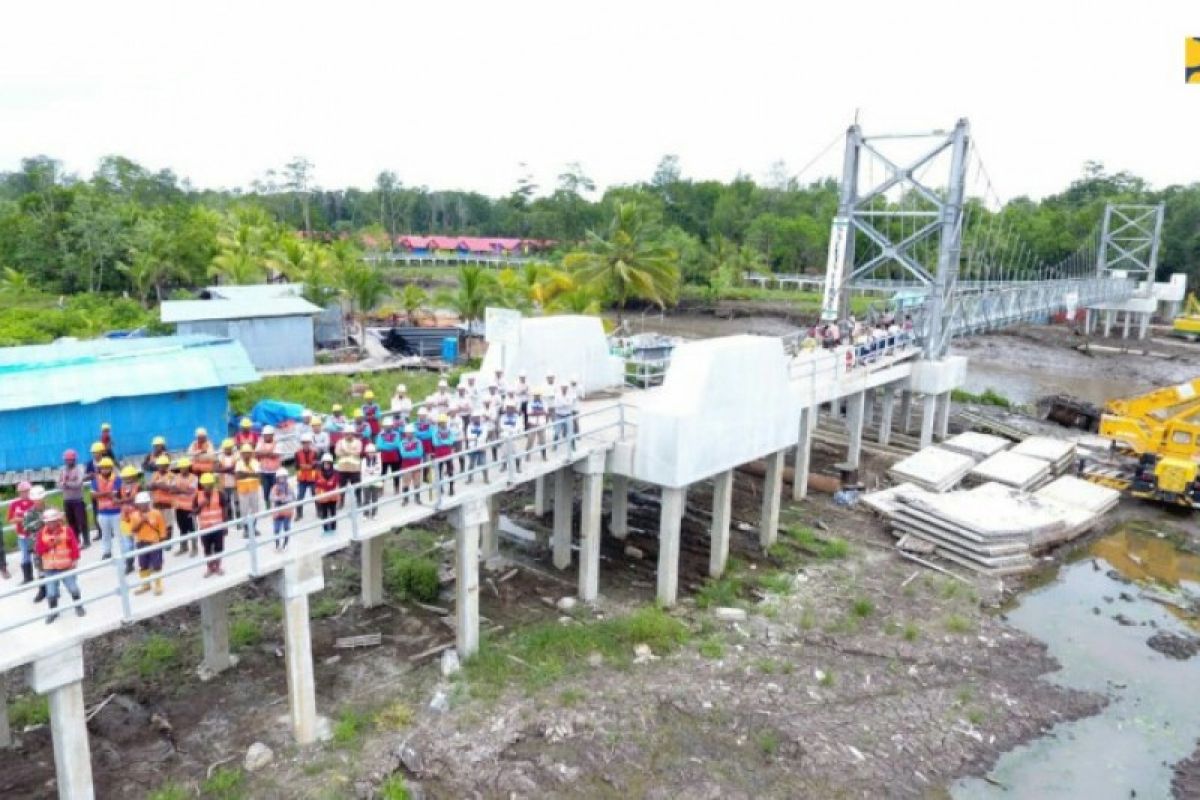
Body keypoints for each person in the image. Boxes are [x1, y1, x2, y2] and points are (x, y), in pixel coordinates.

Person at [36, 509, 85, 623]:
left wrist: (74, 560)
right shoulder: (41, 533)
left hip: (66, 567)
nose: (51, 524)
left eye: (53, 521)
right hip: (49, 569)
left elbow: (74, 546)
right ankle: (54, 612)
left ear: (58, 520)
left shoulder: (67, 531)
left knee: (73, 588)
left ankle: (78, 607)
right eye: (48, 522)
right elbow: (39, 550)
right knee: (51, 593)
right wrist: (51, 544)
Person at [128, 492, 166, 595]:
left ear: (148, 503)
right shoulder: (134, 515)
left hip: (154, 542)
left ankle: (158, 585)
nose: (143, 506)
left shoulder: (156, 513)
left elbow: (162, 528)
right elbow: (133, 530)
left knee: (156, 564)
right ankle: (145, 585)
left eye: (145, 503)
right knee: (143, 565)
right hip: (141, 542)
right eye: (141, 504)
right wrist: (141, 521)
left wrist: (162, 540)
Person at [57, 449, 90, 550]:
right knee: (71, 522)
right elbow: (58, 484)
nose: (68, 462)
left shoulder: (79, 469)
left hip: (78, 499)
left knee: (82, 521)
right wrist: (63, 484)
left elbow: (78, 483)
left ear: (74, 460)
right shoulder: (62, 470)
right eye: (67, 460)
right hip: (67, 500)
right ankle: (76, 541)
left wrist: (66, 484)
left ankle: (86, 540)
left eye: (70, 460)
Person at [91, 457, 123, 559]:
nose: (105, 470)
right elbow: (93, 496)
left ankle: (122, 551)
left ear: (111, 468)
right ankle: (107, 552)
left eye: (107, 468)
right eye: (103, 468)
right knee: (105, 534)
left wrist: (100, 494)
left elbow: (115, 494)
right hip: (103, 512)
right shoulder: (95, 481)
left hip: (116, 512)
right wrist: (106, 493)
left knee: (119, 534)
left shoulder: (117, 480)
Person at [196, 473, 227, 576]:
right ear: (202, 485)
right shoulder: (197, 496)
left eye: (210, 484)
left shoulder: (220, 494)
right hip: (204, 528)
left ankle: (218, 567)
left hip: (217, 527)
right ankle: (210, 568)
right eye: (206, 484)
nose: (208, 487)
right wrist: (200, 506)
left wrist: (225, 525)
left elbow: (225, 510)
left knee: (219, 548)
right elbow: (193, 512)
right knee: (207, 549)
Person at [24, 487, 48, 601]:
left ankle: (53, 587)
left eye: (40, 498)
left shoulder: (50, 509)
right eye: (35, 499)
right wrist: (42, 521)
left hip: (51, 542)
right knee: (40, 567)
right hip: (37, 544)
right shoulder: (29, 513)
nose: (38, 501)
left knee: (53, 564)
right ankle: (43, 590)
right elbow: (27, 527)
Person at [172, 457, 198, 557]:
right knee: (182, 528)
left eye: (185, 467)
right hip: (179, 507)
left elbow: (190, 491)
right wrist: (183, 489)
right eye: (181, 467)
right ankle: (184, 547)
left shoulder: (194, 478)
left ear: (188, 467)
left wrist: (179, 489)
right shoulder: (176, 477)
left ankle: (194, 547)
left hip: (189, 507)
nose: (183, 469)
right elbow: (172, 490)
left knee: (192, 528)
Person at [117, 464, 141, 574]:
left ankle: (144, 560)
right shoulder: (121, 488)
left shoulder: (139, 487)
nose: (127, 480)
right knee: (128, 544)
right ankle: (129, 564)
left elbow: (137, 499)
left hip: (137, 517)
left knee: (141, 540)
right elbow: (116, 499)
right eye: (125, 478)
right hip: (125, 518)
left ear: (134, 477)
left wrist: (122, 501)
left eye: (129, 477)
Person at [148, 454, 176, 546]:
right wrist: (155, 485)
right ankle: (160, 539)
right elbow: (150, 486)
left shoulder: (171, 475)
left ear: (167, 466)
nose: (160, 468)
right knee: (158, 522)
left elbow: (172, 488)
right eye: (159, 466)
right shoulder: (155, 475)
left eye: (163, 466)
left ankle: (168, 542)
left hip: (167, 504)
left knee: (168, 523)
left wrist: (160, 485)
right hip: (157, 504)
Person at [235, 444, 262, 537]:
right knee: (244, 510)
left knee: (255, 508)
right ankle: (246, 529)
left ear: (251, 453)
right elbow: (238, 476)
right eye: (244, 453)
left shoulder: (255, 462)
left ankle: (254, 527)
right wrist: (251, 474)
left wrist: (245, 474)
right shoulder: (239, 463)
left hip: (254, 488)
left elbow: (258, 475)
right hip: (243, 490)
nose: (246, 455)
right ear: (241, 454)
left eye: (248, 453)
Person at [335, 423, 363, 507]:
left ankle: (358, 501)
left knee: (357, 486)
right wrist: (351, 452)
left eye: (351, 433)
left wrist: (346, 451)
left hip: (355, 468)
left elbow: (358, 452)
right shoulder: (340, 442)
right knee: (342, 487)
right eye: (347, 434)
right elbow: (337, 453)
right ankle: (341, 502)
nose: (349, 435)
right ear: (344, 434)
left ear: (353, 434)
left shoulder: (358, 442)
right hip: (343, 468)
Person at [84, 441, 107, 543]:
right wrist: (90, 475)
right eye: (93, 453)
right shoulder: (90, 463)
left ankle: (108, 531)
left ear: (101, 452)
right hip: (95, 490)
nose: (94, 454)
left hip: (106, 490)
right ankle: (100, 531)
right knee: (96, 511)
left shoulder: (107, 462)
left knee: (106, 509)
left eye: (96, 452)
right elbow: (85, 476)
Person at [432, 414, 458, 496]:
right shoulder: (435, 431)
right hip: (439, 454)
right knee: (439, 472)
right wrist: (445, 441)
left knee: (450, 471)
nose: (443, 424)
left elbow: (451, 441)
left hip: (448, 454)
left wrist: (442, 441)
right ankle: (440, 488)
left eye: (444, 422)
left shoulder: (449, 430)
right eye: (441, 422)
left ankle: (451, 488)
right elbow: (435, 443)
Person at [294, 433, 319, 519]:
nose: (306, 444)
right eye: (304, 443)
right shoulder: (297, 453)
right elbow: (297, 465)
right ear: (302, 443)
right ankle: (299, 514)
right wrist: (308, 466)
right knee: (300, 496)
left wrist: (306, 466)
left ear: (310, 443)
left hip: (312, 477)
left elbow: (315, 465)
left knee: (315, 494)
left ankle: (319, 511)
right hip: (302, 478)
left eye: (307, 443)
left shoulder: (314, 453)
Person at [269, 467, 295, 550]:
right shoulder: (274, 487)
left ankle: (285, 544)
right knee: (276, 529)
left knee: (286, 527)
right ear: (277, 478)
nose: (282, 479)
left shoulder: (289, 487)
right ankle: (277, 544)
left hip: (287, 511)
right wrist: (279, 498)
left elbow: (293, 496)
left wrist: (285, 498)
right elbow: (271, 497)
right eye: (280, 478)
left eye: (283, 477)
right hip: (277, 511)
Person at [314, 454, 341, 533]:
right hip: (323, 497)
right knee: (324, 514)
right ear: (322, 464)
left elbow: (337, 484)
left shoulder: (335, 473)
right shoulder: (317, 473)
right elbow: (317, 484)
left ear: (331, 464)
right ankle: (325, 529)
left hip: (333, 497)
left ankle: (333, 528)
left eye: (328, 463)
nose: (326, 465)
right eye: (325, 463)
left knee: (333, 513)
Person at [398, 425, 425, 504]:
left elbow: (420, 453)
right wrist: (414, 453)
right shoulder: (402, 442)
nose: (409, 434)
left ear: (413, 433)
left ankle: (417, 498)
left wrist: (409, 453)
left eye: (411, 433)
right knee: (406, 483)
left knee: (417, 482)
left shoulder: (418, 442)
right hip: (406, 466)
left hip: (416, 465)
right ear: (405, 433)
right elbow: (403, 454)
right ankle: (405, 499)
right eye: (408, 433)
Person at [376, 417, 403, 492]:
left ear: (392, 426)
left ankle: (396, 488)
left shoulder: (396, 434)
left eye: (389, 425)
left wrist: (385, 445)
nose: (388, 427)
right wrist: (390, 446)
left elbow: (397, 444)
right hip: (384, 457)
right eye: (386, 426)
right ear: (383, 426)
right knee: (382, 473)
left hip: (394, 456)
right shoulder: (380, 435)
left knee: (396, 473)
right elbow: (379, 446)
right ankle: (380, 489)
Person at [497, 401, 525, 473]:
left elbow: (518, 427)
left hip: (515, 437)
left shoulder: (518, 417)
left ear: (514, 409)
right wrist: (509, 428)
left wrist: (509, 429)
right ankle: (504, 466)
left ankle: (518, 467)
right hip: (505, 437)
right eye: (508, 408)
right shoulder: (503, 417)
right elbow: (501, 427)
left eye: (511, 408)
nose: (509, 410)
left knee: (517, 452)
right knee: (504, 452)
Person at [257, 425, 282, 502]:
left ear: (272, 435)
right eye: (265, 435)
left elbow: (275, 455)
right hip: (264, 472)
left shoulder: (277, 443)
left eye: (268, 435)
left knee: (277, 491)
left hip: (275, 472)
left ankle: (278, 508)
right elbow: (257, 454)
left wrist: (264, 453)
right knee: (266, 492)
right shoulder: (260, 442)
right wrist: (269, 453)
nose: (266, 436)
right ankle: (268, 509)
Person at [215, 438, 238, 520]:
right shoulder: (220, 457)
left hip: (235, 484)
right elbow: (217, 469)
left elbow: (236, 468)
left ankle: (239, 520)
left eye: (229, 448)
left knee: (237, 502)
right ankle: (230, 519)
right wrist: (229, 470)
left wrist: (223, 470)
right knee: (227, 503)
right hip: (224, 485)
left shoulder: (236, 455)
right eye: (226, 448)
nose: (228, 450)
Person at [464, 412, 490, 483]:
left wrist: (475, 437)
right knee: (471, 464)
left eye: (477, 418)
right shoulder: (469, 426)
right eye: (474, 418)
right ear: (472, 419)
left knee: (483, 463)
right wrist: (477, 437)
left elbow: (484, 436)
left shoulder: (484, 426)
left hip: (481, 446)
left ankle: (486, 478)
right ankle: (470, 478)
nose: (476, 419)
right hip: (472, 447)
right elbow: (469, 436)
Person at [527, 387, 549, 460]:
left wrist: (536, 412)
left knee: (543, 441)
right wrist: (540, 412)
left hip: (541, 423)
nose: (537, 397)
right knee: (530, 440)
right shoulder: (530, 403)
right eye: (535, 395)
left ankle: (544, 456)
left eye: (538, 395)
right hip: (532, 424)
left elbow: (545, 412)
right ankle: (527, 455)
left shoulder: (544, 403)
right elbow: (529, 413)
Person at [361, 444, 382, 518]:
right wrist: (372, 470)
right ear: (367, 453)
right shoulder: (364, 460)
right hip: (366, 481)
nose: (371, 454)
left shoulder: (378, 460)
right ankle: (366, 514)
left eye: (373, 452)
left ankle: (374, 513)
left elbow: (379, 471)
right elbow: (363, 471)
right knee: (366, 499)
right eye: (369, 452)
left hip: (375, 481)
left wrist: (370, 471)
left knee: (375, 498)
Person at [552, 383, 574, 451]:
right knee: (557, 431)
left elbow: (570, 404)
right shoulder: (557, 395)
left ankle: (573, 446)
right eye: (563, 387)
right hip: (559, 416)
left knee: (570, 431)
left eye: (565, 387)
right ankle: (554, 446)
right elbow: (556, 405)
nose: (564, 388)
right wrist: (564, 404)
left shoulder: (570, 395)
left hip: (568, 415)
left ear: (567, 388)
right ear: (561, 387)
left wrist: (562, 403)